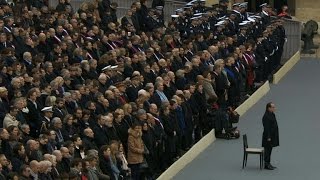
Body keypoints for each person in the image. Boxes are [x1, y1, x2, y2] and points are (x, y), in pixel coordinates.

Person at [262, 102, 279, 170]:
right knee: (267, 150)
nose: (274, 108)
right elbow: (266, 128)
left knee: (270, 150)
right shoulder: (266, 116)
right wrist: (268, 137)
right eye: (273, 107)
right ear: (269, 108)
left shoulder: (272, 114)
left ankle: (268, 163)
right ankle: (266, 164)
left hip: (272, 136)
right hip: (268, 137)